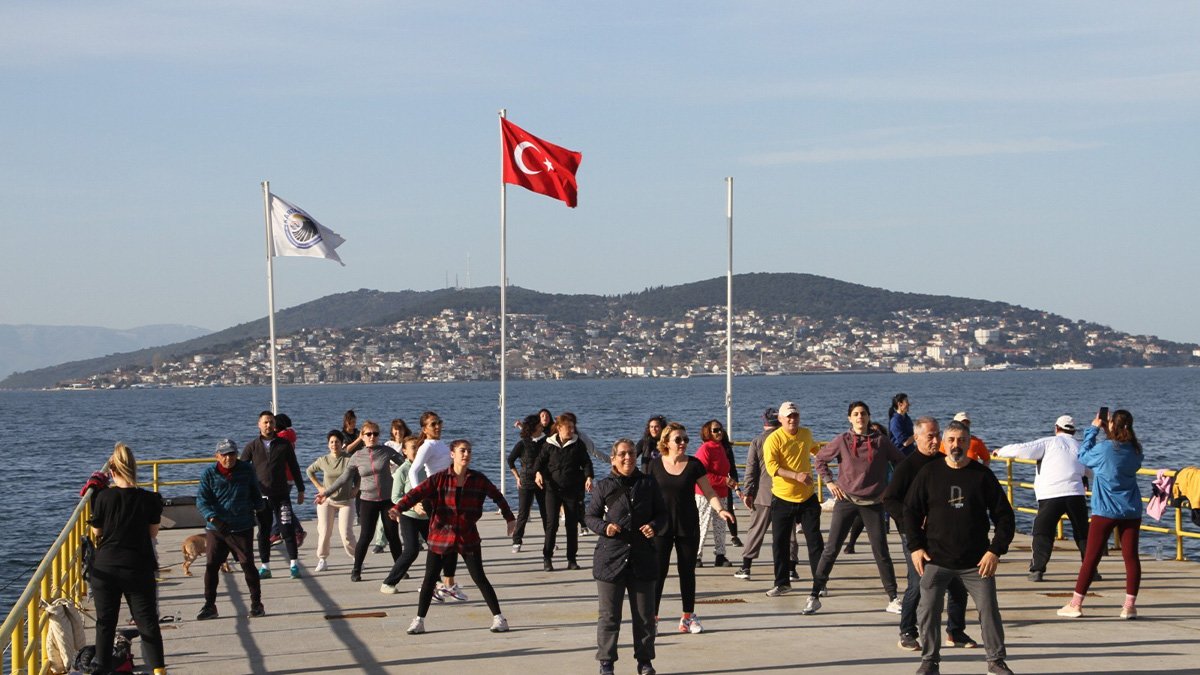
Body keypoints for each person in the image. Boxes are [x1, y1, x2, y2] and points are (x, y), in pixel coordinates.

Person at [905, 420, 1015, 675]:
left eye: (961, 440)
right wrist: (915, 547)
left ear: (969, 443)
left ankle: (996, 662)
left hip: (976, 562)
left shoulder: (982, 475)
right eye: (951, 440)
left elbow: (1005, 517)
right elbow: (910, 510)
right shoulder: (930, 473)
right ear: (944, 442)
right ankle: (930, 661)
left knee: (989, 611)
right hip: (936, 559)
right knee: (928, 610)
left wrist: (995, 551)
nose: (956, 445)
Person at [390, 439, 516, 635]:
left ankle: (500, 619)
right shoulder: (439, 478)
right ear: (452, 455)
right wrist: (399, 508)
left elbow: (497, 496)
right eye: (462, 451)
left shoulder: (478, 479)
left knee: (479, 577)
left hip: (467, 536)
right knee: (429, 579)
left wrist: (510, 518)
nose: (466, 454)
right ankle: (419, 621)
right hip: (441, 536)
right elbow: (416, 493)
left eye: (469, 451)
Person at [804, 401, 905, 615]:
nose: (860, 417)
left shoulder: (881, 441)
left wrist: (891, 488)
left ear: (869, 417)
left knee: (881, 551)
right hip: (846, 500)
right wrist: (830, 482)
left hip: (874, 503)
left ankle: (893, 598)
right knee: (831, 549)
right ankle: (814, 595)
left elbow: (901, 462)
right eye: (856, 414)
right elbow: (820, 459)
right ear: (850, 418)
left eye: (864, 414)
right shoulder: (842, 440)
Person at [882, 418, 974, 652]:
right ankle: (907, 631)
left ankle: (956, 631)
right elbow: (889, 500)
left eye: (937, 435)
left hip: (942, 534)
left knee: (956, 584)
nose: (935, 440)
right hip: (914, 537)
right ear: (918, 438)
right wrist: (908, 523)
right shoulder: (907, 466)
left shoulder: (944, 463)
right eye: (930, 436)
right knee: (918, 583)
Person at [587, 438, 667, 675]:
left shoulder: (648, 484)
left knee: (645, 617)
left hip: (643, 559)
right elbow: (590, 517)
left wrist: (654, 525)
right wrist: (605, 527)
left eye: (631, 453)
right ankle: (606, 663)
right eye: (622, 454)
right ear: (613, 459)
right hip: (610, 559)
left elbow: (663, 515)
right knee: (609, 616)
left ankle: (644, 662)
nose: (628, 458)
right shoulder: (604, 486)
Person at [1057, 409, 1144, 620]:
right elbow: (1117, 452)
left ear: (1112, 424)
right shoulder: (1136, 450)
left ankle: (1076, 604)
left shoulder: (1104, 448)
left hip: (1105, 509)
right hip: (1131, 508)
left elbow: (1083, 456)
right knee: (1131, 558)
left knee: (1091, 558)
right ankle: (1129, 606)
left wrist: (1093, 430)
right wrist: (1109, 431)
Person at [648, 422, 735, 634]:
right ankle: (652, 618)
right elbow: (645, 496)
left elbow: (709, 492)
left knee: (687, 572)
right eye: (678, 439)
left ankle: (687, 617)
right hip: (661, 527)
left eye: (686, 439)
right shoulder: (654, 465)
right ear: (666, 442)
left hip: (688, 525)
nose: (683, 443)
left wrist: (720, 510)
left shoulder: (694, 464)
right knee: (658, 572)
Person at [88, 443, 166, 675]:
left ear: (112, 472)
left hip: (105, 567)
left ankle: (102, 668)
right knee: (147, 623)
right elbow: (153, 533)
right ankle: (158, 671)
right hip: (137, 566)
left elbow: (97, 532)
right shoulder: (150, 499)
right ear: (135, 469)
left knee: (105, 623)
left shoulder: (103, 497)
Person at [994, 415, 1090, 582]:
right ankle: (1091, 570)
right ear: (1073, 431)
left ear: (1056, 428)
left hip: (1051, 495)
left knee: (1042, 532)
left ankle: (1037, 570)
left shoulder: (1049, 442)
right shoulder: (1080, 447)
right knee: (1082, 533)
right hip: (1076, 494)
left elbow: (1022, 449)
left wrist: (1000, 451)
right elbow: (1090, 470)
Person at [318, 421, 404, 582]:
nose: (372, 437)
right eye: (368, 434)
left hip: (387, 500)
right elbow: (344, 478)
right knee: (366, 536)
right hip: (367, 501)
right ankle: (356, 569)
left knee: (393, 535)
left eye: (375, 434)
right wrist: (326, 493)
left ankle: (400, 569)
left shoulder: (387, 451)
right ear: (362, 436)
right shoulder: (357, 456)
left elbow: (406, 466)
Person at [762, 401, 825, 600]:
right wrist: (796, 476)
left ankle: (820, 583)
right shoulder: (773, 439)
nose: (792, 419)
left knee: (815, 541)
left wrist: (830, 455)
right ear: (780, 419)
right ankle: (781, 583)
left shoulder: (805, 433)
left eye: (795, 415)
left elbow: (815, 449)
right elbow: (772, 468)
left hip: (807, 498)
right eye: (788, 416)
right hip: (782, 498)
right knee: (779, 543)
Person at [196, 438, 264, 620]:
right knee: (211, 566)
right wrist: (212, 517)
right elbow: (201, 500)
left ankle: (256, 603)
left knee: (247, 564)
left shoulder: (246, 470)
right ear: (217, 456)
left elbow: (256, 494)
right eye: (224, 455)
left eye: (232, 454)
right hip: (216, 528)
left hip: (242, 526)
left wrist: (261, 507)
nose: (229, 458)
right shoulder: (209, 474)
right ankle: (209, 605)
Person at [406, 411, 465, 601]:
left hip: (449, 497)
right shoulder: (427, 446)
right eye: (433, 424)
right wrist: (419, 497)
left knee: (449, 544)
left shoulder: (438, 444)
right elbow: (413, 471)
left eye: (438, 422)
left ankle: (445, 584)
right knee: (443, 545)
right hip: (436, 499)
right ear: (425, 429)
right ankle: (436, 585)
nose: (437, 426)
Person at [734, 408, 798, 580]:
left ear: (764, 421)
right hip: (786, 493)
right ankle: (791, 569)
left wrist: (748, 492)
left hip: (763, 493)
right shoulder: (788, 438)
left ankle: (746, 567)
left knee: (756, 530)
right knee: (789, 532)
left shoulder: (757, 441)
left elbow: (751, 470)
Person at [240, 410, 305, 579]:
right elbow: (241, 469)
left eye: (271, 422)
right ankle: (265, 566)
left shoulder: (284, 444)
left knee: (287, 529)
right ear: (259, 425)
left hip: (282, 495)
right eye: (265, 422)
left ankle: (294, 565)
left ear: (275, 425)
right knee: (264, 532)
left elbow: (294, 466)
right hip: (261, 497)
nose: (269, 425)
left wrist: (301, 489)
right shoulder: (252, 446)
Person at [534, 413, 594, 571]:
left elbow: (586, 462)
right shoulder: (549, 444)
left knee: (571, 525)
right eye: (568, 428)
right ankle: (547, 558)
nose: (571, 430)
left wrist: (589, 477)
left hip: (572, 489)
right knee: (552, 524)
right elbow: (539, 462)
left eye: (573, 427)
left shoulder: (577, 444)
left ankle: (572, 559)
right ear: (559, 428)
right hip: (552, 489)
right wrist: (538, 473)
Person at [380, 436, 429, 594]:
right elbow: (395, 497)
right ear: (405, 451)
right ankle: (388, 583)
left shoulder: (426, 468)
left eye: (418, 447)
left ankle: (437, 580)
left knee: (438, 548)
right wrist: (414, 505)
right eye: (413, 447)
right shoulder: (403, 471)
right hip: (409, 516)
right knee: (411, 550)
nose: (416, 450)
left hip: (427, 516)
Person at [305, 430, 358, 573]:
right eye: (332, 442)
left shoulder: (349, 459)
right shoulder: (324, 460)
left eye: (337, 442)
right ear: (328, 444)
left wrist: (356, 488)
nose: (334, 444)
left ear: (342, 444)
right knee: (324, 531)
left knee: (346, 533)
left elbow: (359, 474)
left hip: (346, 500)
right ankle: (322, 559)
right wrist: (320, 487)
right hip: (327, 500)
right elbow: (309, 471)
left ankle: (357, 559)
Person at [695, 419, 735, 567]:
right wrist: (723, 480)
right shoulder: (705, 449)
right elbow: (701, 474)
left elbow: (727, 470)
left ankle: (720, 554)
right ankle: (697, 555)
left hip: (722, 492)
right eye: (715, 430)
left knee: (720, 526)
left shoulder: (722, 448)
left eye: (720, 429)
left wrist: (730, 482)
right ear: (707, 432)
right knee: (702, 524)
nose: (719, 432)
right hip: (704, 493)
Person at [372, 418, 413, 554]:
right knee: (387, 511)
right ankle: (380, 542)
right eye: (395, 429)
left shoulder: (409, 443)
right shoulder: (388, 444)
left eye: (400, 428)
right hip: (391, 479)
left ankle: (417, 540)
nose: (398, 431)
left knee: (411, 508)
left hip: (407, 479)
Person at [507, 414, 547, 554]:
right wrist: (517, 477)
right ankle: (517, 541)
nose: (542, 425)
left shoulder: (546, 441)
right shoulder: (523, 443)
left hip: (543, 482)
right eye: (539, 424)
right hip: (526, 481)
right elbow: (510, 460)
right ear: (534, 427)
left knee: (546, 513)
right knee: (523, 513)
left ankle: (549, 541)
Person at [269, 413, 307, 550]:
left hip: (282, 476)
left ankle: (280, 532)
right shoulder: (290, 437)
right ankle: (282, 532)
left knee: (279, 506)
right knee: (281, 505)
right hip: (289, 476)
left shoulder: (280, 438)